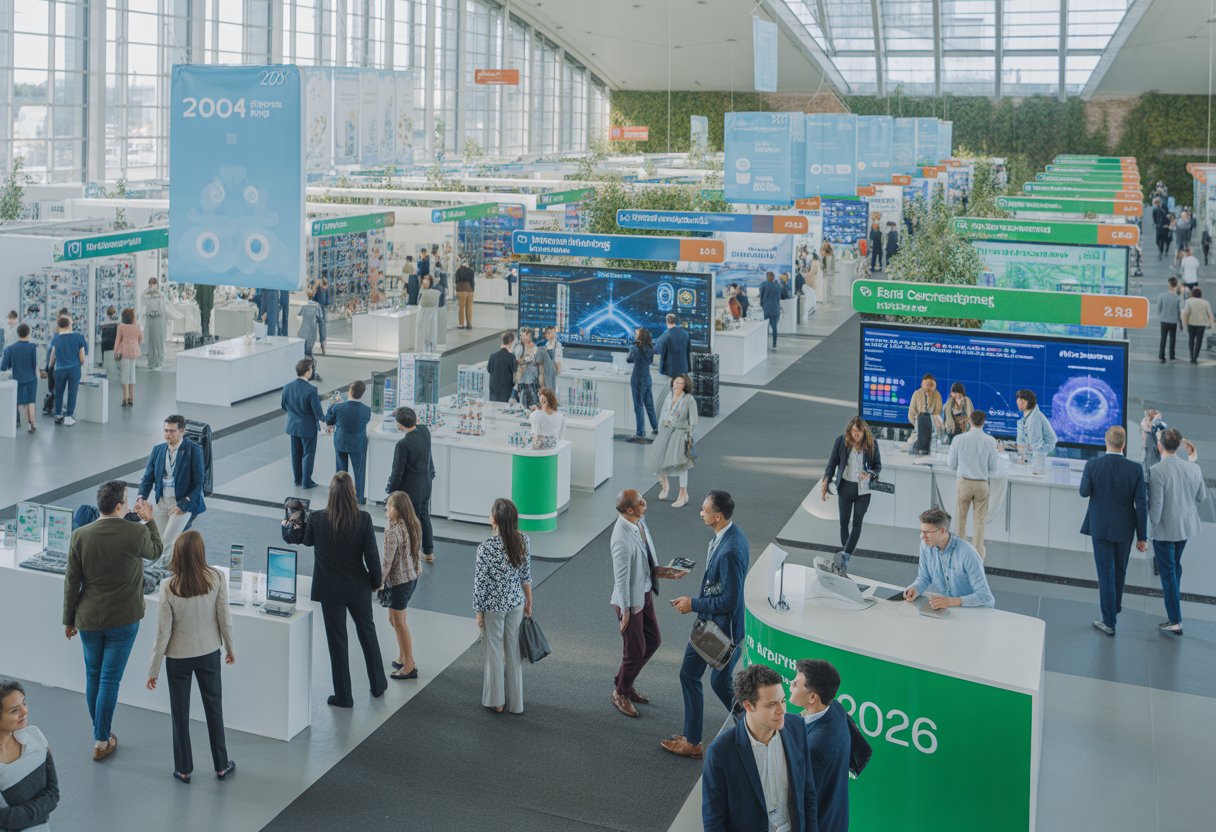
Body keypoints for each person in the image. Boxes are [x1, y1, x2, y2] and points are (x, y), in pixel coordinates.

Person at [62, 480, 162, 760]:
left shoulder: (80, 536)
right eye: (127, 500)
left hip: (88, 619)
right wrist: (150, 521)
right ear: (119, 506)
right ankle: (101, 739)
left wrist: (68, 620)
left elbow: (72, 583)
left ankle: (100, 734)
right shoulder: (134, 533)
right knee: (109, 680)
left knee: (93, 676)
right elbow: (156, 550)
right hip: (123, 620)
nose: (130, 504)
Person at [662, 490, 749, 760]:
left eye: (704, 509)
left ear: (718, 516)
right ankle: (754, 730)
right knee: (720, 683)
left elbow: (729, 601)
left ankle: (693, 742)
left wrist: (694, 604)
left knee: (690, 676)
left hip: (719, 631)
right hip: (725, 628)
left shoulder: (730, 551)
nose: (700, 513)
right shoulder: (730, 536)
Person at [145, 531, 236, 782]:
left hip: (178, 659)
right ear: (201, 552)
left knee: (180, 714)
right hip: (209, 654)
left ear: (178, 555)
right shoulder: (217, 577)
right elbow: (224, 618)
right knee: (214, 710)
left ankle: (183, 769)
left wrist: (153, 671)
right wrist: (230, 648)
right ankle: (221, 765)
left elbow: (162, 634)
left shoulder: (169, 586)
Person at [304, 472, 387, 706]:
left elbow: (307, 540)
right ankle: (378, 684)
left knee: (337, 642)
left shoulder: (318, 519)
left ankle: (343, 695)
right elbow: (372, 556)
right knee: (367, 634)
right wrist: (375, 583)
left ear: (330, 493)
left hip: (329, 590)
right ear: (352, 493)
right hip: (357, 587)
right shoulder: (363, 519)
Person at [701, 664, 814, 832]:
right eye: (771, 705)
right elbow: (714, 820)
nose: (781, 710)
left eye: (783, 701)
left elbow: (808, 792)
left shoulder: (796, 728)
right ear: (748, 706)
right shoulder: (721, 752)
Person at [1079, 426, 1148, 636]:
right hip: (1125, 528)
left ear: (1105, 441)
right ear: (1124, 444)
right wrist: (1142, 536)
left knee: (1105, 573)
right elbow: (1141, 504)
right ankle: (1114, 608)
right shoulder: (1135, 469)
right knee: (1120, 570)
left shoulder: (1093, 465)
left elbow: (1084, 492)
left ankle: (1109, 621)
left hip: (1100, 527)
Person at [473, 498, 533, 715]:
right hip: (516, 603)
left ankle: (496, 701)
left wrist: (478, 613)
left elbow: (480, 585)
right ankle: (517, 704)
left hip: (493, 608)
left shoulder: (485, 548)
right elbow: (526, 576)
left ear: (495, 519)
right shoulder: (523, 541)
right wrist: (529, 601)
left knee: (495, 653)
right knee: (514, 653)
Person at [608, 489, 662, 718]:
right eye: (641, 502)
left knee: (653, 641)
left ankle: (624, 681)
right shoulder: (620, 539)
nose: (645, 502)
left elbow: (646, 553)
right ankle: (621, 693)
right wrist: (626, 613)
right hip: (630, 601)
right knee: (635, 650)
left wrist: (661, 572)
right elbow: (621, 580)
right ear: (630, 510)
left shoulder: (639, 521)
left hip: (645, 591)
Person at [1148, 428, 1206, 636]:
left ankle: (1175, 620)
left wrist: (1149, 530)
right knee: (1175, 567)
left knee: (1169, 574)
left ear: (1160, 445)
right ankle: (1174, 603)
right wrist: (1193, 459)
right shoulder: (1193, 468)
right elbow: (1201, 498)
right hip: (1185, 528)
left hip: (1165, 531)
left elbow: (1157, 507)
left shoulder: (1157, 470)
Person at [137, 414, 207, 566]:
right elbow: (148, 477)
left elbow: (198, 483)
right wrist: (141, 497)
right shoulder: (158, 450)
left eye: (171, 431)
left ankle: (162, 573)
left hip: (181, 503)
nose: (167, 434)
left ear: (182, 431)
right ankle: (169, 570)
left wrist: (184, 505)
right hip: (162, 502)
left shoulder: (193, 450)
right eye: (165, 431)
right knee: (159, 539)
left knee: (169, 540)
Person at [790, 659, 851, 832]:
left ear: (812, 697)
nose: (790, 684)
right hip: (837, 815)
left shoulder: (814, 748)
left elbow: (805, 806)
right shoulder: (836, 709)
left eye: (795, 683)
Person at [903, 507, 995, 609]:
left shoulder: (968, 554)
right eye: (922, 531)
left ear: (942, 531)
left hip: (976, 610)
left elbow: (984, 596)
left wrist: (951, 602)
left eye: (927, 532)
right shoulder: (926, 545)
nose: (921, 536)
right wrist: (915, 589)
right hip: (949, 607)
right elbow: (924, 577)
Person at [821, 416, 882, 568]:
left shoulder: (872, 444)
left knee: (857, 522)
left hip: (863, 489)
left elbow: (878, 466)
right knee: (843, 522)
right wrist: (825, 481)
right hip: (845, 487)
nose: (856, 435)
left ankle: (845, 555)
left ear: (864, 432)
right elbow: (831, 464)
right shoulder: (841, 442)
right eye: (854, 431)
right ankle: (845, 555)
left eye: (859, 432)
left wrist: (869, 473)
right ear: (850, 430)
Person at [0, 680, 59, 830]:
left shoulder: (35, 736)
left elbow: (53, 793)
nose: (25, 711)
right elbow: (5, 819)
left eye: (24, 704)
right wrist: (41, 812)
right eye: (14, 710)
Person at [947, 410, 1000, 559]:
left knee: (960, 520)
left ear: (969, 421)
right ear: (984, 422)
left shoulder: (959, 439)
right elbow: (993, 468)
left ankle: (959, 553)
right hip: (982, 484)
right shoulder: (990, 440)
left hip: (963, 483)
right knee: (979, 521)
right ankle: (977, 555)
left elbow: (951, 464)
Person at [382, 491, 423, 680]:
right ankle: (402, 657)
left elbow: (386, 563)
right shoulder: (413, 524)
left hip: (399, 582)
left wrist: (377, 583)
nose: (386, 509)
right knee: (395, 620)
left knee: (399, 622)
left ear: (397, 510)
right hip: (412, 578)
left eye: (389, 506)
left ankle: (409, 665)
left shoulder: (392, 532)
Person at [387, 406, 436, 564]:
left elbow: (397, 471)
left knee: (409, 523)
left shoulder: (403, 444)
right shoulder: (424, 431)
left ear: (400, 425)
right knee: (424, 517)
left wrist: (391, 489)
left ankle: (411, 556)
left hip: (411, 491)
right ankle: (428, 552)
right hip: (426, 485)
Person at [653, 374, 698, 508]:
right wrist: (660, 431)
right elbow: (664, 414)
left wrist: (689, 436)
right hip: (666, 432)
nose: (677, 385)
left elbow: (694, 421)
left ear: (685, 386)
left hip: (681, 434)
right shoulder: (669, 396)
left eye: (680, 383)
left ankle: (683, 494)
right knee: (657, 459)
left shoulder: (689, 400)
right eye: (676, 382)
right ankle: (664, 483)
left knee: (681, 464)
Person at [325, 380, 372, 504]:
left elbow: (329, 421)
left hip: (341, 442)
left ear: (350, 391)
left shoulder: (338, 407)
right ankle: (360, 498)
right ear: (362, 393)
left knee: (341, 472)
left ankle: (340, 497)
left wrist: (331, 407)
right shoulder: (367, 410)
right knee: (359, 472)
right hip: (358, 444)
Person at [282, 358, 324, 489]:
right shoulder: (311, 390)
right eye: (311, 369)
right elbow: (318, 413)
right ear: (307, 372)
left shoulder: (287, 387)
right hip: (307, 428)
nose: (312, 371)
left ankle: (297, 479)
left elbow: (284, 406)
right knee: (308, 454)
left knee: (296, 454)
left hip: (293, 426)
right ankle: (307, 482)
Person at [48, 315, 87, 426]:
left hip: (59, 370)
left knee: (59, 392)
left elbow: (52, 357)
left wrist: (50, 367)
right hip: (74, 369)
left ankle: (58, 415)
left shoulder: (55, 339)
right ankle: (69, 417)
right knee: (72, 392)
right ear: (70, 325)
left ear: (59, 326)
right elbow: (82, 358)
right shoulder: (78, 337)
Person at [1, 323, 39, 434]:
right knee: (31, 401)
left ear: (18, 334)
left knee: (16, 402)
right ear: (28, 333)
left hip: (17, 379)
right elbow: (34, 364)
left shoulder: (10, 348)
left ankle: (16, 422)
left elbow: (4, 367)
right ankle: (32, 423)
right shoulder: (33, 347)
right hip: (31, 378)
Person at [626, 327, 658, 441]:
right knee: (649, 405)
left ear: (640, 336)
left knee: (638, 406)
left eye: (636, 334)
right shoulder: (651, 348)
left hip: (638, 379)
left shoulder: (634, 348)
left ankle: (640, 432)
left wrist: (631, 348)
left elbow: (629, 359)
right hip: (647, 378)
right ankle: (655, 427)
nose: (635, 336)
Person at [1014, 388, 1057, 459]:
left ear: (1029, 402)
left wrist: (1026, 460)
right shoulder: (1026, 417)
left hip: (1042, 456)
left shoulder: (1035, 419)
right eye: (1018, 399)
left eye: (1022, 400)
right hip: (1031, 457)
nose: (1018, 402)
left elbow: (1035, 445)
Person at [113, 307, 142, 408]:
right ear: (132, 317)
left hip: (125, 352)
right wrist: (136, 344)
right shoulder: (137, 326)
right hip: (134, 352)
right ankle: (132, 398)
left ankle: (125, 398)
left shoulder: (121, 327)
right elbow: (141, 338)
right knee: (132, 374)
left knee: (124, 374)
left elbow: (117, 340)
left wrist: (115, 351)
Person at [511, 328, 545, 409]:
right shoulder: (519, 348)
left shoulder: (536, 350)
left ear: (530, 337)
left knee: (533, 408)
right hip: (521, 386)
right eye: (522, 335)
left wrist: (542, 386)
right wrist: (514, 393)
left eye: (526, 336)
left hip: (533, 385)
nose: (524, 338)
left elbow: (541, 371)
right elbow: (518, 369)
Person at [1180, 286, 1214, 363]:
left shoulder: (1188, 301)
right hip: (1201, 324)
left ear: (1193, 294)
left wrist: (1184, 323)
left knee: (1191, 339)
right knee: (1199, 340)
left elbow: (1186, 313)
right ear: (1200, 295)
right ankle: (1195, 356)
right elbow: (1210, 314)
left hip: (1191, 323)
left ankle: (1191, 355)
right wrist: (1212, 325)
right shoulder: (1206, 302)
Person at [655, 314, 691, 379]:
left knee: (673, 387)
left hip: (671, 369)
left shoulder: (666, 334)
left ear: (666, 322)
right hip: (683, 367)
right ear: (675, 321)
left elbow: (657, 349)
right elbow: (688, 350)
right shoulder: (686, 334)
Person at [1157, 276, 1183, 362]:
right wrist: (1180, 321)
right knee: (1173, 339)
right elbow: (1179, 310)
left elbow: (1159, 307)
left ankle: (1161, 355)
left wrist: (1160, 315)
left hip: (1164, 320)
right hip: (1173, 321)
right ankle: (1172, 355)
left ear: (1169, 284)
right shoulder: (1177, 297)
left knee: (1163, 338)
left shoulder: (1162, 295)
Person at [487, 331, 517, 402]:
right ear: (510, 342)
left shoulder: (492, 356)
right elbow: (515, 375)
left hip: (494, 390)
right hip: (506, 392)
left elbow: (489, 370)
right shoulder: (511, 357)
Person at [297, 289, 323, 363]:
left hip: (303, 331)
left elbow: (299, 316)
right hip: (312, 331)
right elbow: (320, 317)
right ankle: (310, 366)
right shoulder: (317, 306)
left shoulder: (304, 306)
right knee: (309, 350)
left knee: (304, 350)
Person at [415, 275, 441, 352]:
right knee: (421, 332)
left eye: (427, 279)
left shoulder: (434, 292)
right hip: (422, 314)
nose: (425, 280)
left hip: (431, 314)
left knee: (430, 332)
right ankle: (420, 349)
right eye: (424, 278)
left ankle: (431, 348)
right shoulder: (421, 290)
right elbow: (418, 301)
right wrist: (422, 289)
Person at [759, 271, 782, 351]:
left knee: (766, 327)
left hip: (766, 308)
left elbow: (761, 296)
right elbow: (779, 298)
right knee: (774, 327)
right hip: (775, 308)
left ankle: (764, 344)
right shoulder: (778, 286)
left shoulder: (764, 285)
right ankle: (774, 345)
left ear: (767, 277)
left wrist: (762, 304)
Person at [454, 258, 475, 329]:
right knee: (469, 307)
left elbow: (456, 281)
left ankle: (461, 324)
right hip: (470, 291)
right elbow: (472, 281)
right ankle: (469, 324)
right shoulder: (471, 271)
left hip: (461, 290)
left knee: (461, 308)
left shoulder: (458, 271)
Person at [99, 305, 119, 376]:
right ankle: (112, 367)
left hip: (107, 339)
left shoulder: (106, 318)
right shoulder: (115, 318)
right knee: (111, 353)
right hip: (111, 339)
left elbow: (101, 327)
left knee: (105, 353)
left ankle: (106, 366)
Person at [314, 278, 330, 355]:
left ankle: (309, 346)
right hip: (321, 311)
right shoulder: (325, 291)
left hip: (314, 310)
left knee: (312, 329)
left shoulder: (317, 289)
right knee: (322, 329)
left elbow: (312, 299)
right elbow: (327, 302)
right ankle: (323, 347)